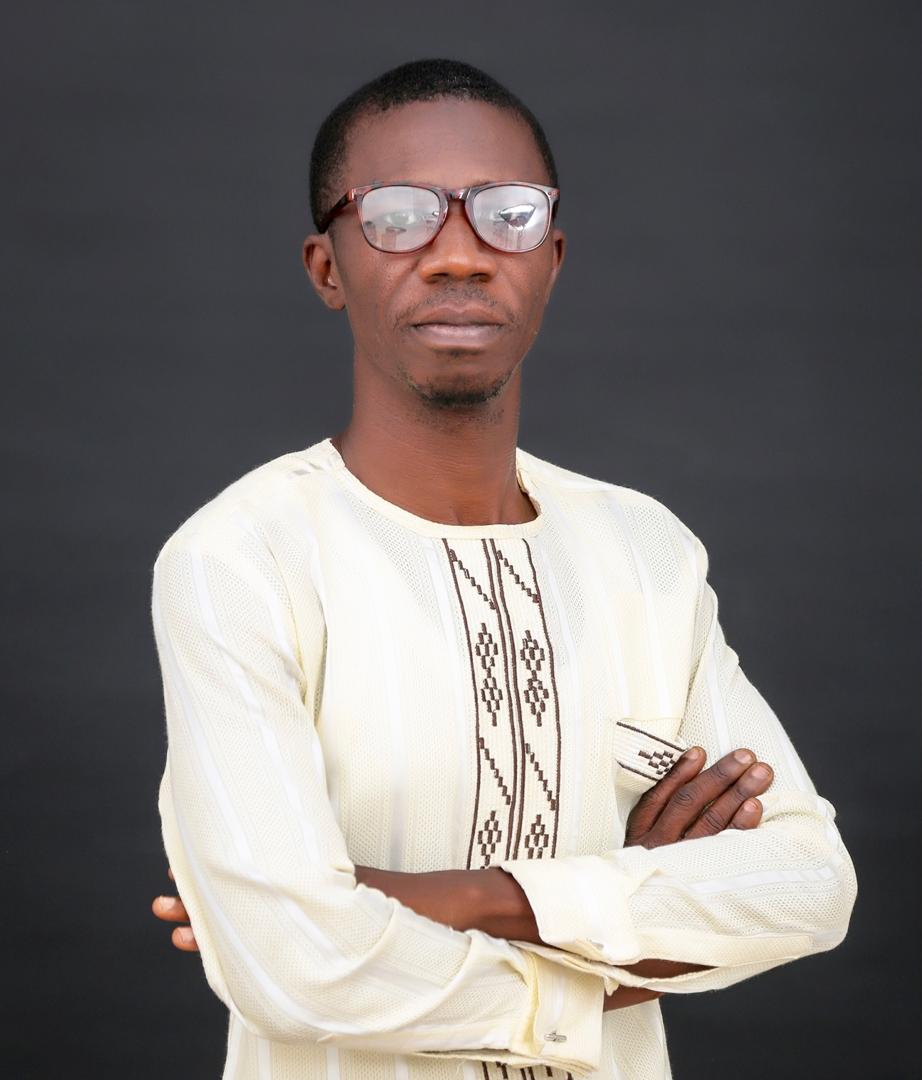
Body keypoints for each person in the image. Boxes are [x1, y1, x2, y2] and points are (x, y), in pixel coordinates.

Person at [149, 58, 856, 1080]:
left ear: (551, 259)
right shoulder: (242, 560)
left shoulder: (645, 550)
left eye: (507, 216)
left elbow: (808, 883)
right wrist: (627, 923)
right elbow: (294, 961)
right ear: (327, 268)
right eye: (396, 216)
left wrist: (460, 896)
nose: (457, 256)